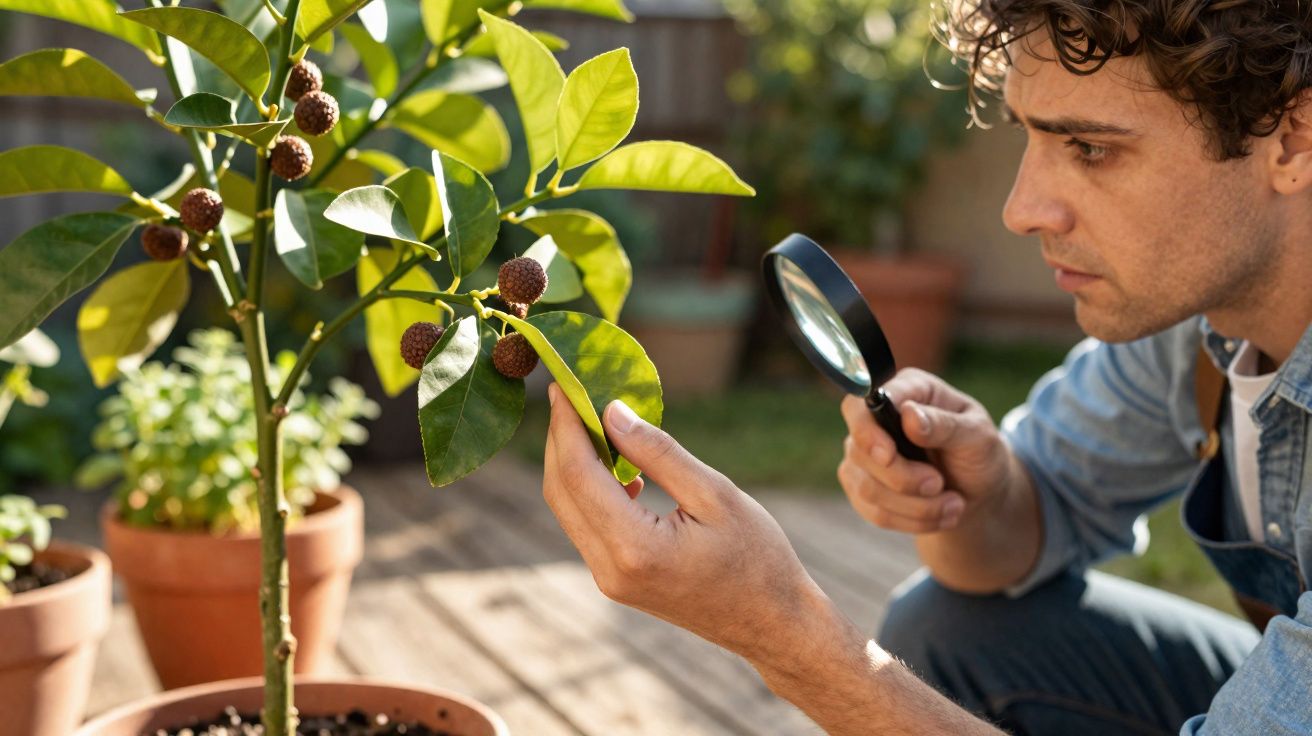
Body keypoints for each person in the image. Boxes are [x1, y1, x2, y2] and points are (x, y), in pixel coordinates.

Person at [540, 0, 1312, 732]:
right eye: (1031, 138)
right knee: (946, 626)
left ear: (1292, 141)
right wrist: (980, 493)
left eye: (1091, 148)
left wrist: (779, 630)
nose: (1021, 209)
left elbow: (804, 645)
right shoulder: (1191, 332)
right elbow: (1020, 533)